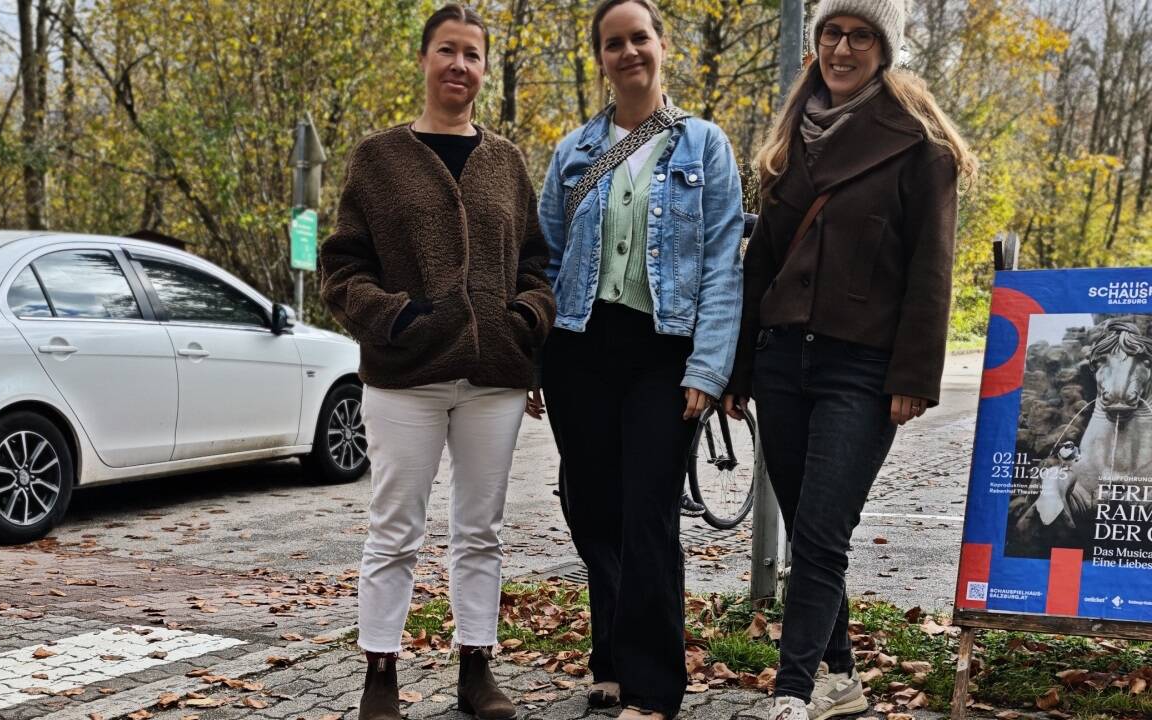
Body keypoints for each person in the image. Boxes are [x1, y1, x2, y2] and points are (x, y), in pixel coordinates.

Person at [720, 1, 978, 719]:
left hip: (861, 370)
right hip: (782, 362)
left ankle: (792, 693)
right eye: (831, 33)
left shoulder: (920, 145)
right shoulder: (789, 139)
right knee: (809, 528)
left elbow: (933, 267)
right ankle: (840, 673)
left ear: (884, 49)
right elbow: (761, 262)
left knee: (824, 533)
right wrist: (738, 369)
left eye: (860, 35)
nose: (841, 47)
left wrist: (913, 376)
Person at [318, 5, 555, 720]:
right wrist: (398, 317)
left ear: (484, 67)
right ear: (424, 59)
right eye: (447, 51)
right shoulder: (377, 158)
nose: (460, 65)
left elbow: (538, 265)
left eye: (473, 55)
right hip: (405, 376)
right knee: (396, 527)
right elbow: (341, 268)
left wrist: (524, 321)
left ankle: (476, 670)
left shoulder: (508, 161)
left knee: (481, 529)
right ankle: (380, 676)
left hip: (494, 378)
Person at [537, 1, 745, 718]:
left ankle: (655, 687)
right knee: (593, 507)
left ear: (662, 46)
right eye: (613, 43)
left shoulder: (705, 145)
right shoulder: (572, 153)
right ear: (601, 57)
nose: (629, 52)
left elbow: (723, 262)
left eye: (639, 38)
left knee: (648, 512)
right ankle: (610, 660)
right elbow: (551, 259)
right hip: (580, 350)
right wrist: (541, 358)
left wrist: (708, 366)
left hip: (664, 353)